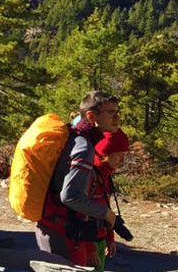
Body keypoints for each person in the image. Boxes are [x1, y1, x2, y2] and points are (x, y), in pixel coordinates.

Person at [37, 91, 122, 264]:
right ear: (91, 116)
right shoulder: (83, 148)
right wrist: (106, 213)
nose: (117, 117)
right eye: (111, 112)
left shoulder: (75, 136)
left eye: (118, 111)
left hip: (55, 225)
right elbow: (71, 196)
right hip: (63, 232)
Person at [70, 129, 130, 271]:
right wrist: (90, 248)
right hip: (85, 242)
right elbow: (80, 213)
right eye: (119, 155)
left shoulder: (105, 175)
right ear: (105, 154)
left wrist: (110, 238)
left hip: (100, 238)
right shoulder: (90, 175)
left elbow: (105, 210)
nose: (122, 161)